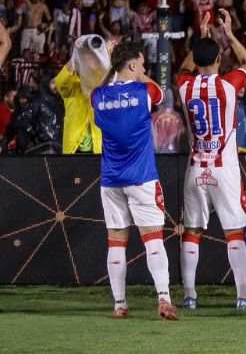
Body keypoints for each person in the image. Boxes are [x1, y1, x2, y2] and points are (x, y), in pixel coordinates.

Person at [176, 10, 246, 311]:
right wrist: (230, 34)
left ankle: (189, 296)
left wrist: (201, 36)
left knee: (192, 231)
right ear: (219, 60)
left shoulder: (184, 85)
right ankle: (243, 297)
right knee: (234, 231)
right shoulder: (229, 84)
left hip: (197, 166)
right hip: (224, 169)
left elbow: (184, 68)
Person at [91, 40, 176, 321]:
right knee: (153, 239)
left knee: (116, 240)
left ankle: (119, 304)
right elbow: (159, 92)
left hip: (111, 179)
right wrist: (138, 73)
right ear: (131, 65)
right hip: (141, 177)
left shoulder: (98, 96)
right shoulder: (143, 92)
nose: (143, 68)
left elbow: (99, 90)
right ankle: (164, 299)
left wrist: (113, 63)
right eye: (140, 63)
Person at [55, 34, 110, 154]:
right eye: (86, 57)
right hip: (74, 150)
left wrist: (108, 53)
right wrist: (74, 58)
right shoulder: (73, 84)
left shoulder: (103, 83)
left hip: (97, 149)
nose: (90, 61)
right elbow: (60, 84)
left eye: (93, 57)